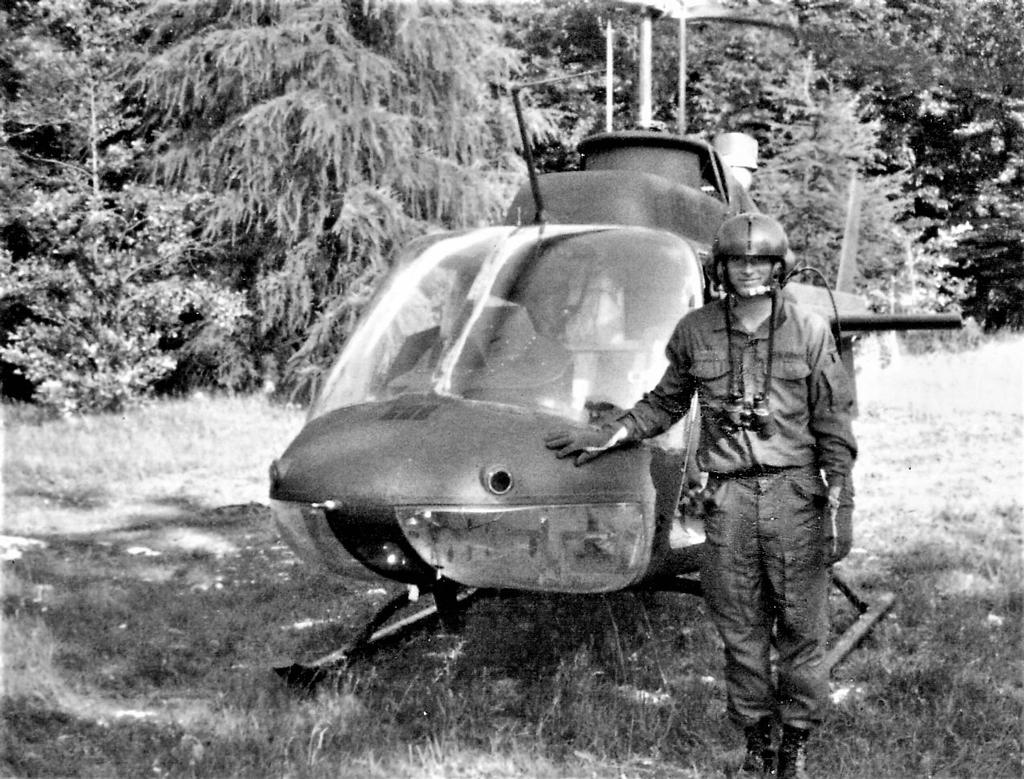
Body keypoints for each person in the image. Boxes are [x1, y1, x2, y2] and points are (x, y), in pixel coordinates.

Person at [544, 213, 857, 779]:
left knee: (801, 629)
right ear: (722, 267)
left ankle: (796, 744)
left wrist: (845, 504)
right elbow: (664, 402)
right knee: (740, 629)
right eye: (739, 261)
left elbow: (834, 426)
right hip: (730, 501)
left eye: (761, 261)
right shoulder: (695, 330)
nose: (750, 271)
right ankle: (759, 739)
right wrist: (610, 431)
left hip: (795, 497)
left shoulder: (810, 331)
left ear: (779, 266)